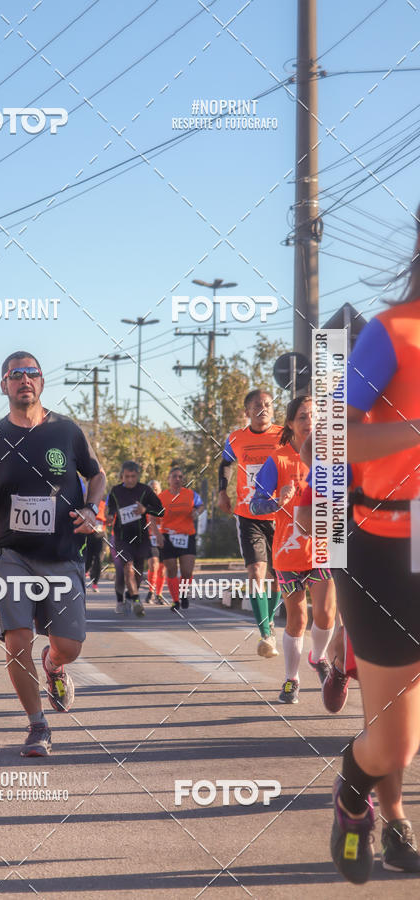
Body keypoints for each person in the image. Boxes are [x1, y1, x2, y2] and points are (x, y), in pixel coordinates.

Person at [326, 212, 420, 884]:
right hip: (386, 550)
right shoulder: (394, 332)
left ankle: (400, 828)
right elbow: (330, 440)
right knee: (393, 741)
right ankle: (354, 793)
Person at [0, 351, 105, 758]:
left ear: (42, 382)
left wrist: (91, 508)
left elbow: (96, 475)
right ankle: (37, 726)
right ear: (3, 385)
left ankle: (55, 665)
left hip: (63, 554)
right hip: (13, 554)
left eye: (32, 373)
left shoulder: (67, 431)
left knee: (70, 644)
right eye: (15, 374)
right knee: (16, 638)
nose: (25, 380)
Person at [250, 396, 336, 704]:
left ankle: (320, 656)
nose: (309, 420)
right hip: (288, 552)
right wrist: (277, 501)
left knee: (326, 614)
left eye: (313, 415)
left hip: (324, 548)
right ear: (290, 423)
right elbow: (255, 504)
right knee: (297, 619)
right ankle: (291, 679)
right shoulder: (279, 460)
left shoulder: (330, 457)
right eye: (302, 416)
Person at [218, 389, 283, 657]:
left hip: (281, 514)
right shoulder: (236, 437)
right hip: (249, 514)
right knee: (257, 571)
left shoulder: (284, 435)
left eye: (268, 405)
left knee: (278, 576)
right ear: (246, 411)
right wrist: (223, 490)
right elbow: (225, 463)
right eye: (257, 405)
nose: (264, 409)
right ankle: (265, 633)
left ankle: (271, 622)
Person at [106, 462, 165, 617]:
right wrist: (110, 516)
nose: (130, 480)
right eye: (127, 477)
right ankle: (137, 600)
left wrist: (145, 510)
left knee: (138, 571)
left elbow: (161, 510)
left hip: (141, 537)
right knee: (128, 567)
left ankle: (132, 595)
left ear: (137, 476)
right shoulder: (115, 491)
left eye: (133, 477)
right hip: (122, 537)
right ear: (122, 476)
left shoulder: (145, 490)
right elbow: (111, 508)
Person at [159, 467, 205, 612]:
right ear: (168, 479)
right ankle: (175, 600)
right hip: (168, 536)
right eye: (174, 476)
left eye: (180, 477)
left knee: (187, 571)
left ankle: (183, 594)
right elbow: (152, 516)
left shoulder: (191, 494)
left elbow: (201, 506)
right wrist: (157, 534)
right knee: (171, 569)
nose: (177, 479)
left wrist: (196, 512)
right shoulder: (161, 497)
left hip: (187, 536)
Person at [145, 479, 165, 604]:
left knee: (162, 569)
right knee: (153, 564)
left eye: (156, 489)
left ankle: (159, 594)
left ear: (160, 490)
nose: (154, 491)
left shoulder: (166, 503)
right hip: (149, 538)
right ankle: (150, 591)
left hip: (164, 538)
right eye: (151, 489)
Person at [84, 500, 106, 592]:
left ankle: (95, 583)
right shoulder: (87, 503)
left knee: (99, 559)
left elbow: (109, 518)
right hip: (89, 535)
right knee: (88, 559)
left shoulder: (104, 505)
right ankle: (82, 578)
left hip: (101, 535)